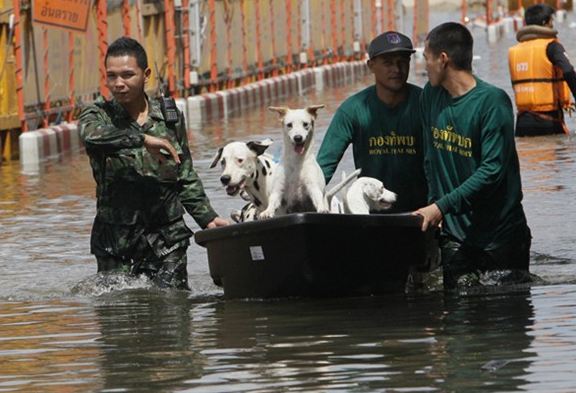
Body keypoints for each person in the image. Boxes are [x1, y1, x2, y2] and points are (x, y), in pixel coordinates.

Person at [79, 37, 228, 290]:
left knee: (174, 314)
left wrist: (207, 218)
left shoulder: (168, 118)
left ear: (145, 74)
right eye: (112, 76)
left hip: (166, 238)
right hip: (116, 242)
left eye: (127, 75)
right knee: (119, 317)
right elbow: (89, 135)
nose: (119, 84)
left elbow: (185, 174)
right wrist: (141, 139)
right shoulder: (98, 116)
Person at [415, 22, 532, 289]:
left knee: (505, 322)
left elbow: (491, 171)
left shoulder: (492, 102)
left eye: (427, 58)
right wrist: (436, 206)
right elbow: (430, 160)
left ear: (443, 59)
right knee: (455, 324)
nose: (425, 66)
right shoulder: (430, 97)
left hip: (501, 236)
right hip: (455, 237)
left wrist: (441, 206)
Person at [317, 31, 427, 213]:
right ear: (371, 65)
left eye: (402, 61)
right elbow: (323, 169)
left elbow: (444, 163)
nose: (397, 69)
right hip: (371, 216)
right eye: (388, 63)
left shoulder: (425, 104)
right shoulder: (353, 109)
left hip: (422, 214)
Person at [508, 3, 576, 136]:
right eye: (552, 21)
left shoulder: (514, 51)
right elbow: (568, 71)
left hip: (522, 123)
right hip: (548, 122)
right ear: (546, 22)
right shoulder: (552, 46)